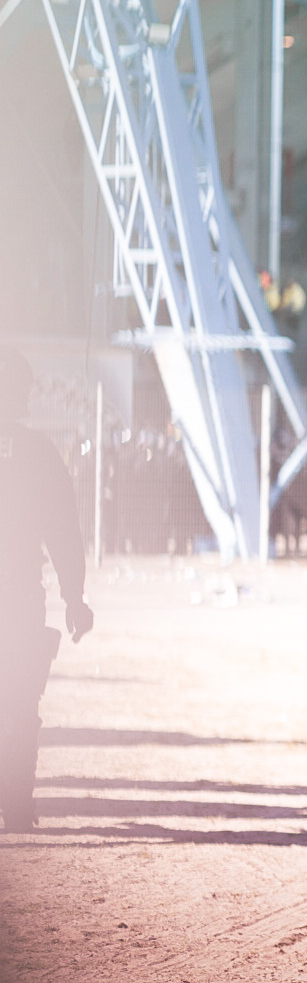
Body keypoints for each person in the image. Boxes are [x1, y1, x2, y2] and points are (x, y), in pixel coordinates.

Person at [0, 348, 93, 832]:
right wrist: (73, 598)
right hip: (15, 599)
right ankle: (14, 806)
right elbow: (63, 532)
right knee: (17, 704)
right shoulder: (38, 454)